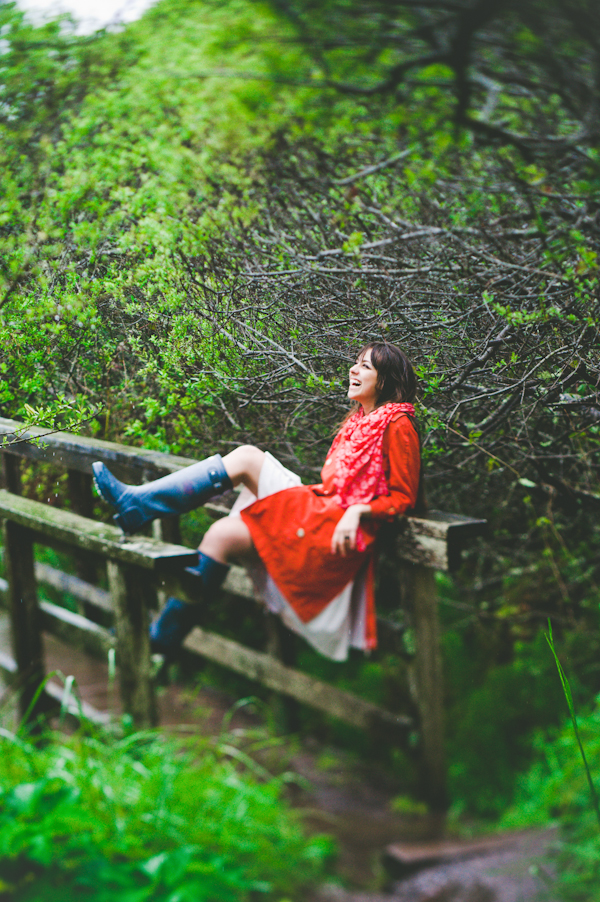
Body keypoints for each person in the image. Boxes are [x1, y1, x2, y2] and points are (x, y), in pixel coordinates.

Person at [92, 342, 422, 661]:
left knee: (236, 496)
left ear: (385, 380)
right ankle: (161, 631)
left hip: (334, 531)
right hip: (320, 508)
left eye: (365, 366)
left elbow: (404, 497)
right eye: (356, 362)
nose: (353, 368)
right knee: (233, 500)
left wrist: (358, 512)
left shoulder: (398, 424)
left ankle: (140, 516)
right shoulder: (357, 422)